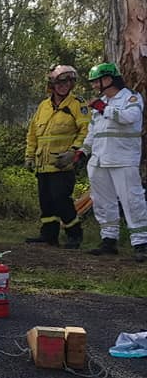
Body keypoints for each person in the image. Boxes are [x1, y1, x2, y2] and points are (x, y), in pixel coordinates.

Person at [79, 62, 147, 261]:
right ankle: (108, 240)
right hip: (99, 160)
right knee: (102, 202)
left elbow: (130, 117)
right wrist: (82, 152)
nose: (94, 86)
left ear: (108, 79)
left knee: (132, 201)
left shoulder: (131, 98)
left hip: (123, 159)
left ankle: (141, 244)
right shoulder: (99, 102)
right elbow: (93, 132)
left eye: (96, 81)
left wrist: (105, 108)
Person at [23, 65, 89, 248]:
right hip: (43, 164)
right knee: (46, 202)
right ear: (51, 85)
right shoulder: (43, 106)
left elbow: (86, 131)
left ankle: (74, 235)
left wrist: (73, 152)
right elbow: (33, 134)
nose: (63, 86)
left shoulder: (77, 104)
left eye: (67, 82)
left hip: (62, 164)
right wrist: (29, 157)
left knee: (62, 200)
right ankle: (49, 235)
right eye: (59, 83)